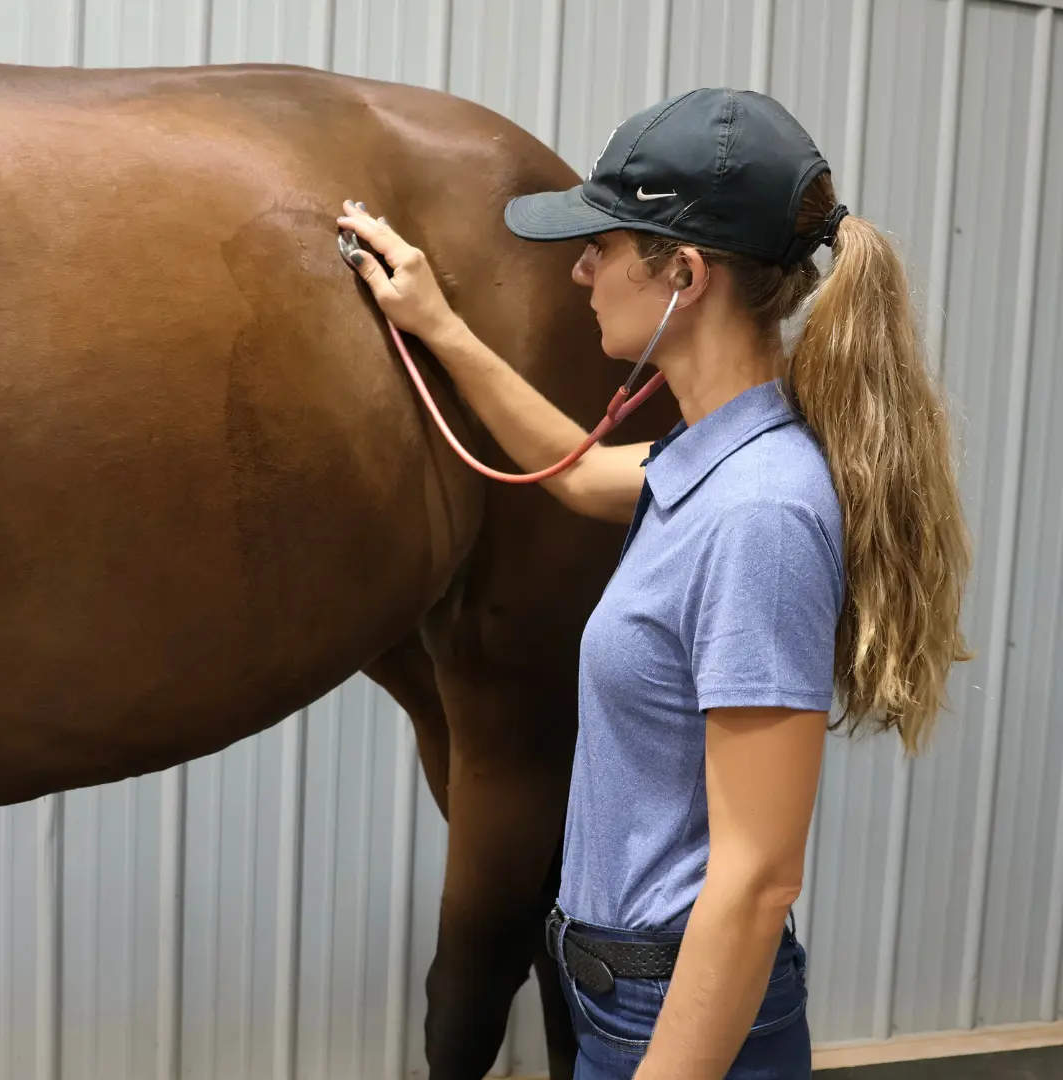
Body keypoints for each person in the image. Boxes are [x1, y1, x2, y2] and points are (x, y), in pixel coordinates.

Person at [337, 87, 971, 1080]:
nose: (580, 268)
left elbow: (758, 878)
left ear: (686, 272)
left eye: (606, 242)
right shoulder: (709, 458)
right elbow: (584, 473)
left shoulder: (759, 513)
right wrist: (442, 327)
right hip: (627, 996)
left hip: (679, 1017)